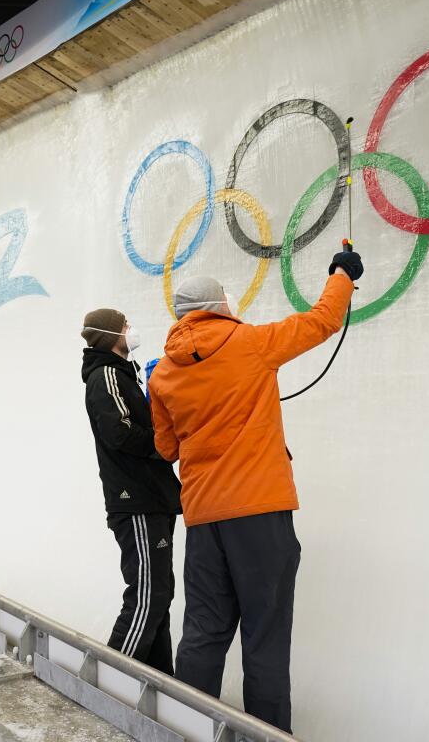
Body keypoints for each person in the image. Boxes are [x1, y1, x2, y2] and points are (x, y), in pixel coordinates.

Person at [147, 249, 364, 732]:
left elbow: (166, 449)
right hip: (260, 514)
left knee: (202, 634)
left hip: (203, 519)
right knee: (264, 638)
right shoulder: (253, 343)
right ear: (219, 306)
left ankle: (186, 729)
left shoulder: (162, 373)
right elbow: (323, 320)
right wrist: (343, 274)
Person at [80, 308, 183, 674]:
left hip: (152, 497)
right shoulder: (106, 374)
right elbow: (119, 431)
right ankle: (110, 680)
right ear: (111, 335)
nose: (130, 330)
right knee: (147, 595)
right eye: (125, 326)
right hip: (134, 498)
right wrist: (164, 445)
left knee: (160, 594)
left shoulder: (124, 372)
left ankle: (158, 681)